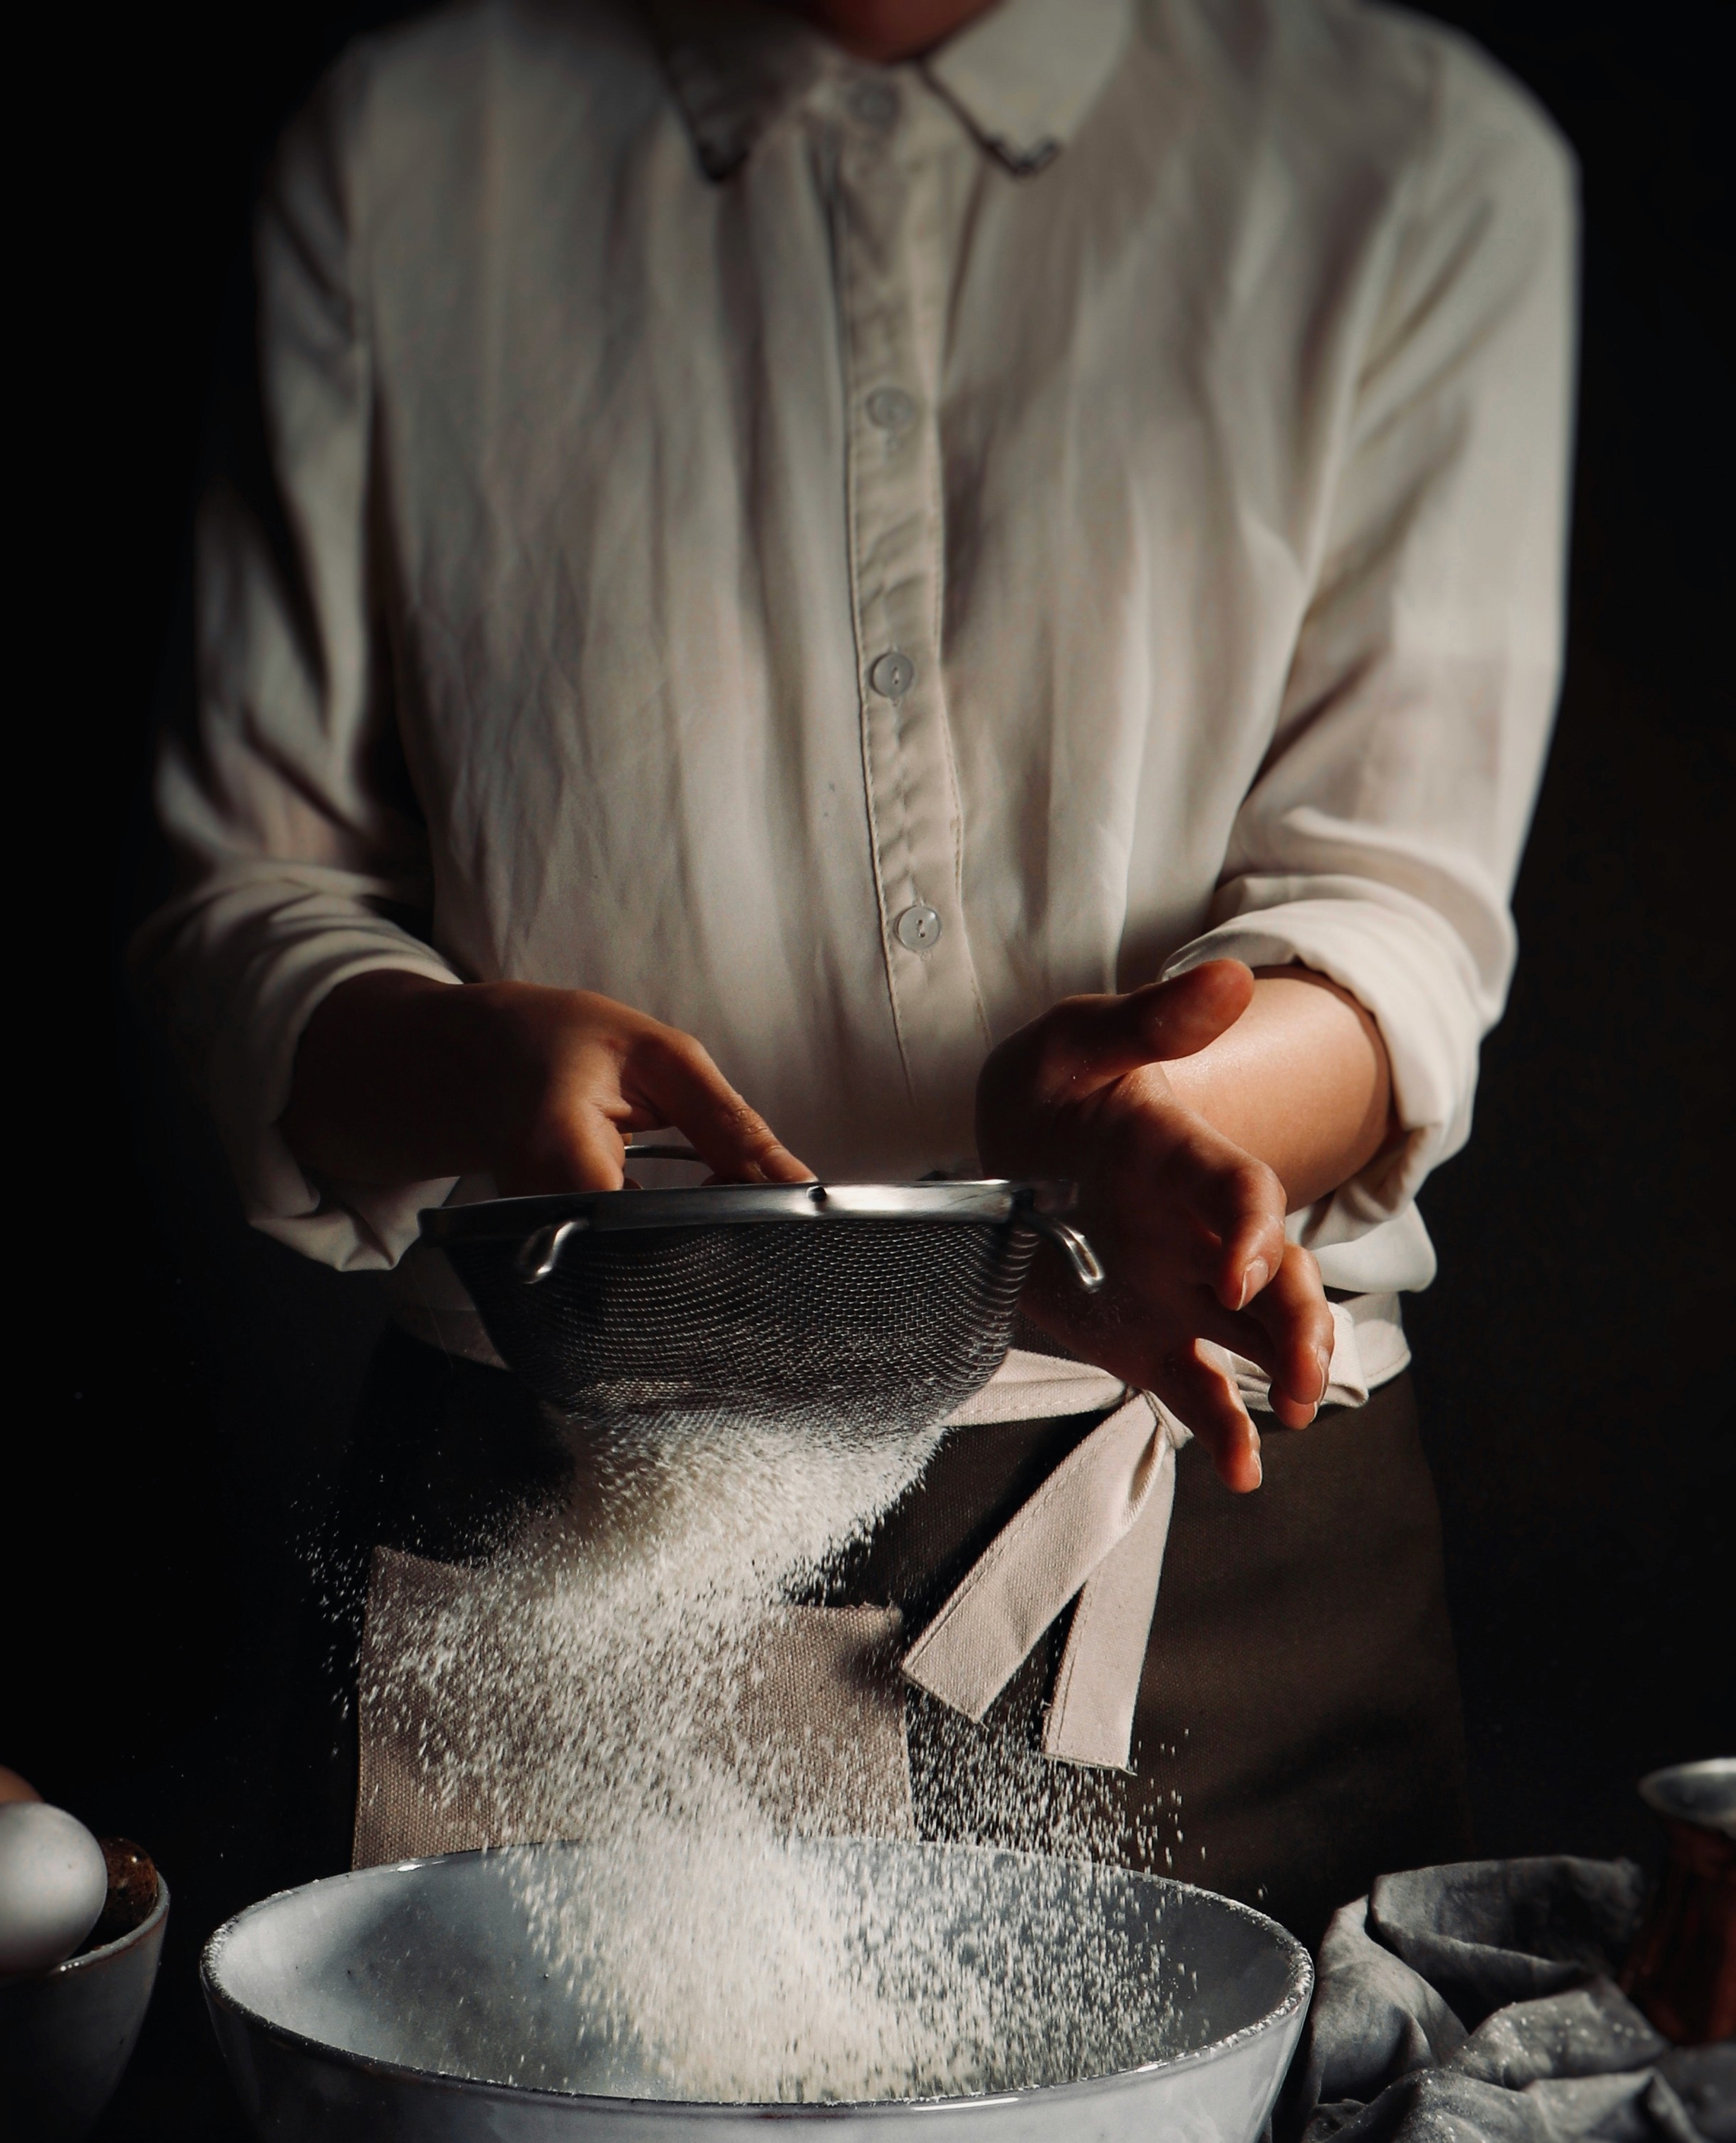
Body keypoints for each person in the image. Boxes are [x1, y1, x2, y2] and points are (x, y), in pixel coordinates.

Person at [135, 0, 1575, 1939]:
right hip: (573, 1523)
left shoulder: (1406, 149)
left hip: (1181, 1525)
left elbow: (1395, 905)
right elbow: (243, 891)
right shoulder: (411, 149)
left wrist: (1174, 1123)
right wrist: (454, 1059)